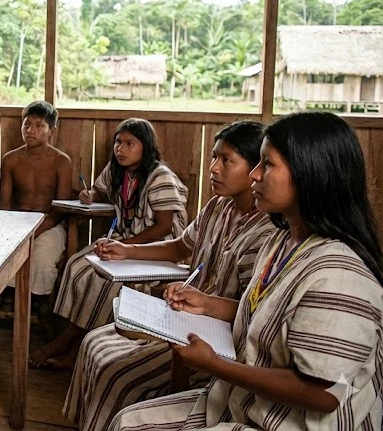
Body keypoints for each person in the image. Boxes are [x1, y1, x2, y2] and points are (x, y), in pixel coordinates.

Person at [110, 111, 383, 431]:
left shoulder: (339, 276)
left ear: (310, 173)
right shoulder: (283, 241)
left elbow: (325, 393)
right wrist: (207, 303)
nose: (255, 174)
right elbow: (266, 314)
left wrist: (216, 365)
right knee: (128, 420)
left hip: (289, 422)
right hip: (245, 403)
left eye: (267, 164)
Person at [64, 121, 277, 431]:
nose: (213, 169)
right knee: (95, 341)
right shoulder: (217, 207)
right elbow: (180, 246)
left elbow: (252, 312)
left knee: (117, 374)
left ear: (255, 168)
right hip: (183, 318)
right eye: (214, 158)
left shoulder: (270, 231)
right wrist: (127, 250)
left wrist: (204, 303)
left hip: (215, 339)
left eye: (226, 160)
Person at [33, 117, 188, 370]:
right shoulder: (118, 170)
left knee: (104, 280)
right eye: (118, 142)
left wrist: (127, 246)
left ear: (145, 147)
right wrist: (90, 194)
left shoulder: (159, 175)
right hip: (126, 243)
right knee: (76, 265)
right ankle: (67, 337)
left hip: (157, 249)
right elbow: (100, 190)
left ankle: (73, 345)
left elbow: (164, 226)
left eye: (130, 143)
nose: (121, 149)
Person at [0, 101, 73, 302]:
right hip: (16, 223)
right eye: (26, 124)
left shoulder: (61, 162)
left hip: (49, 225)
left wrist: (35, 231)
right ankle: (8, 299)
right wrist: (13, 231)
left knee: (41, 258)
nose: (30, 130)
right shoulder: (10, 160)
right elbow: (4, 205)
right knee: (2, 255)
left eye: (39, 126)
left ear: (51, 131)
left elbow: (61, 209)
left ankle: (39, 303)